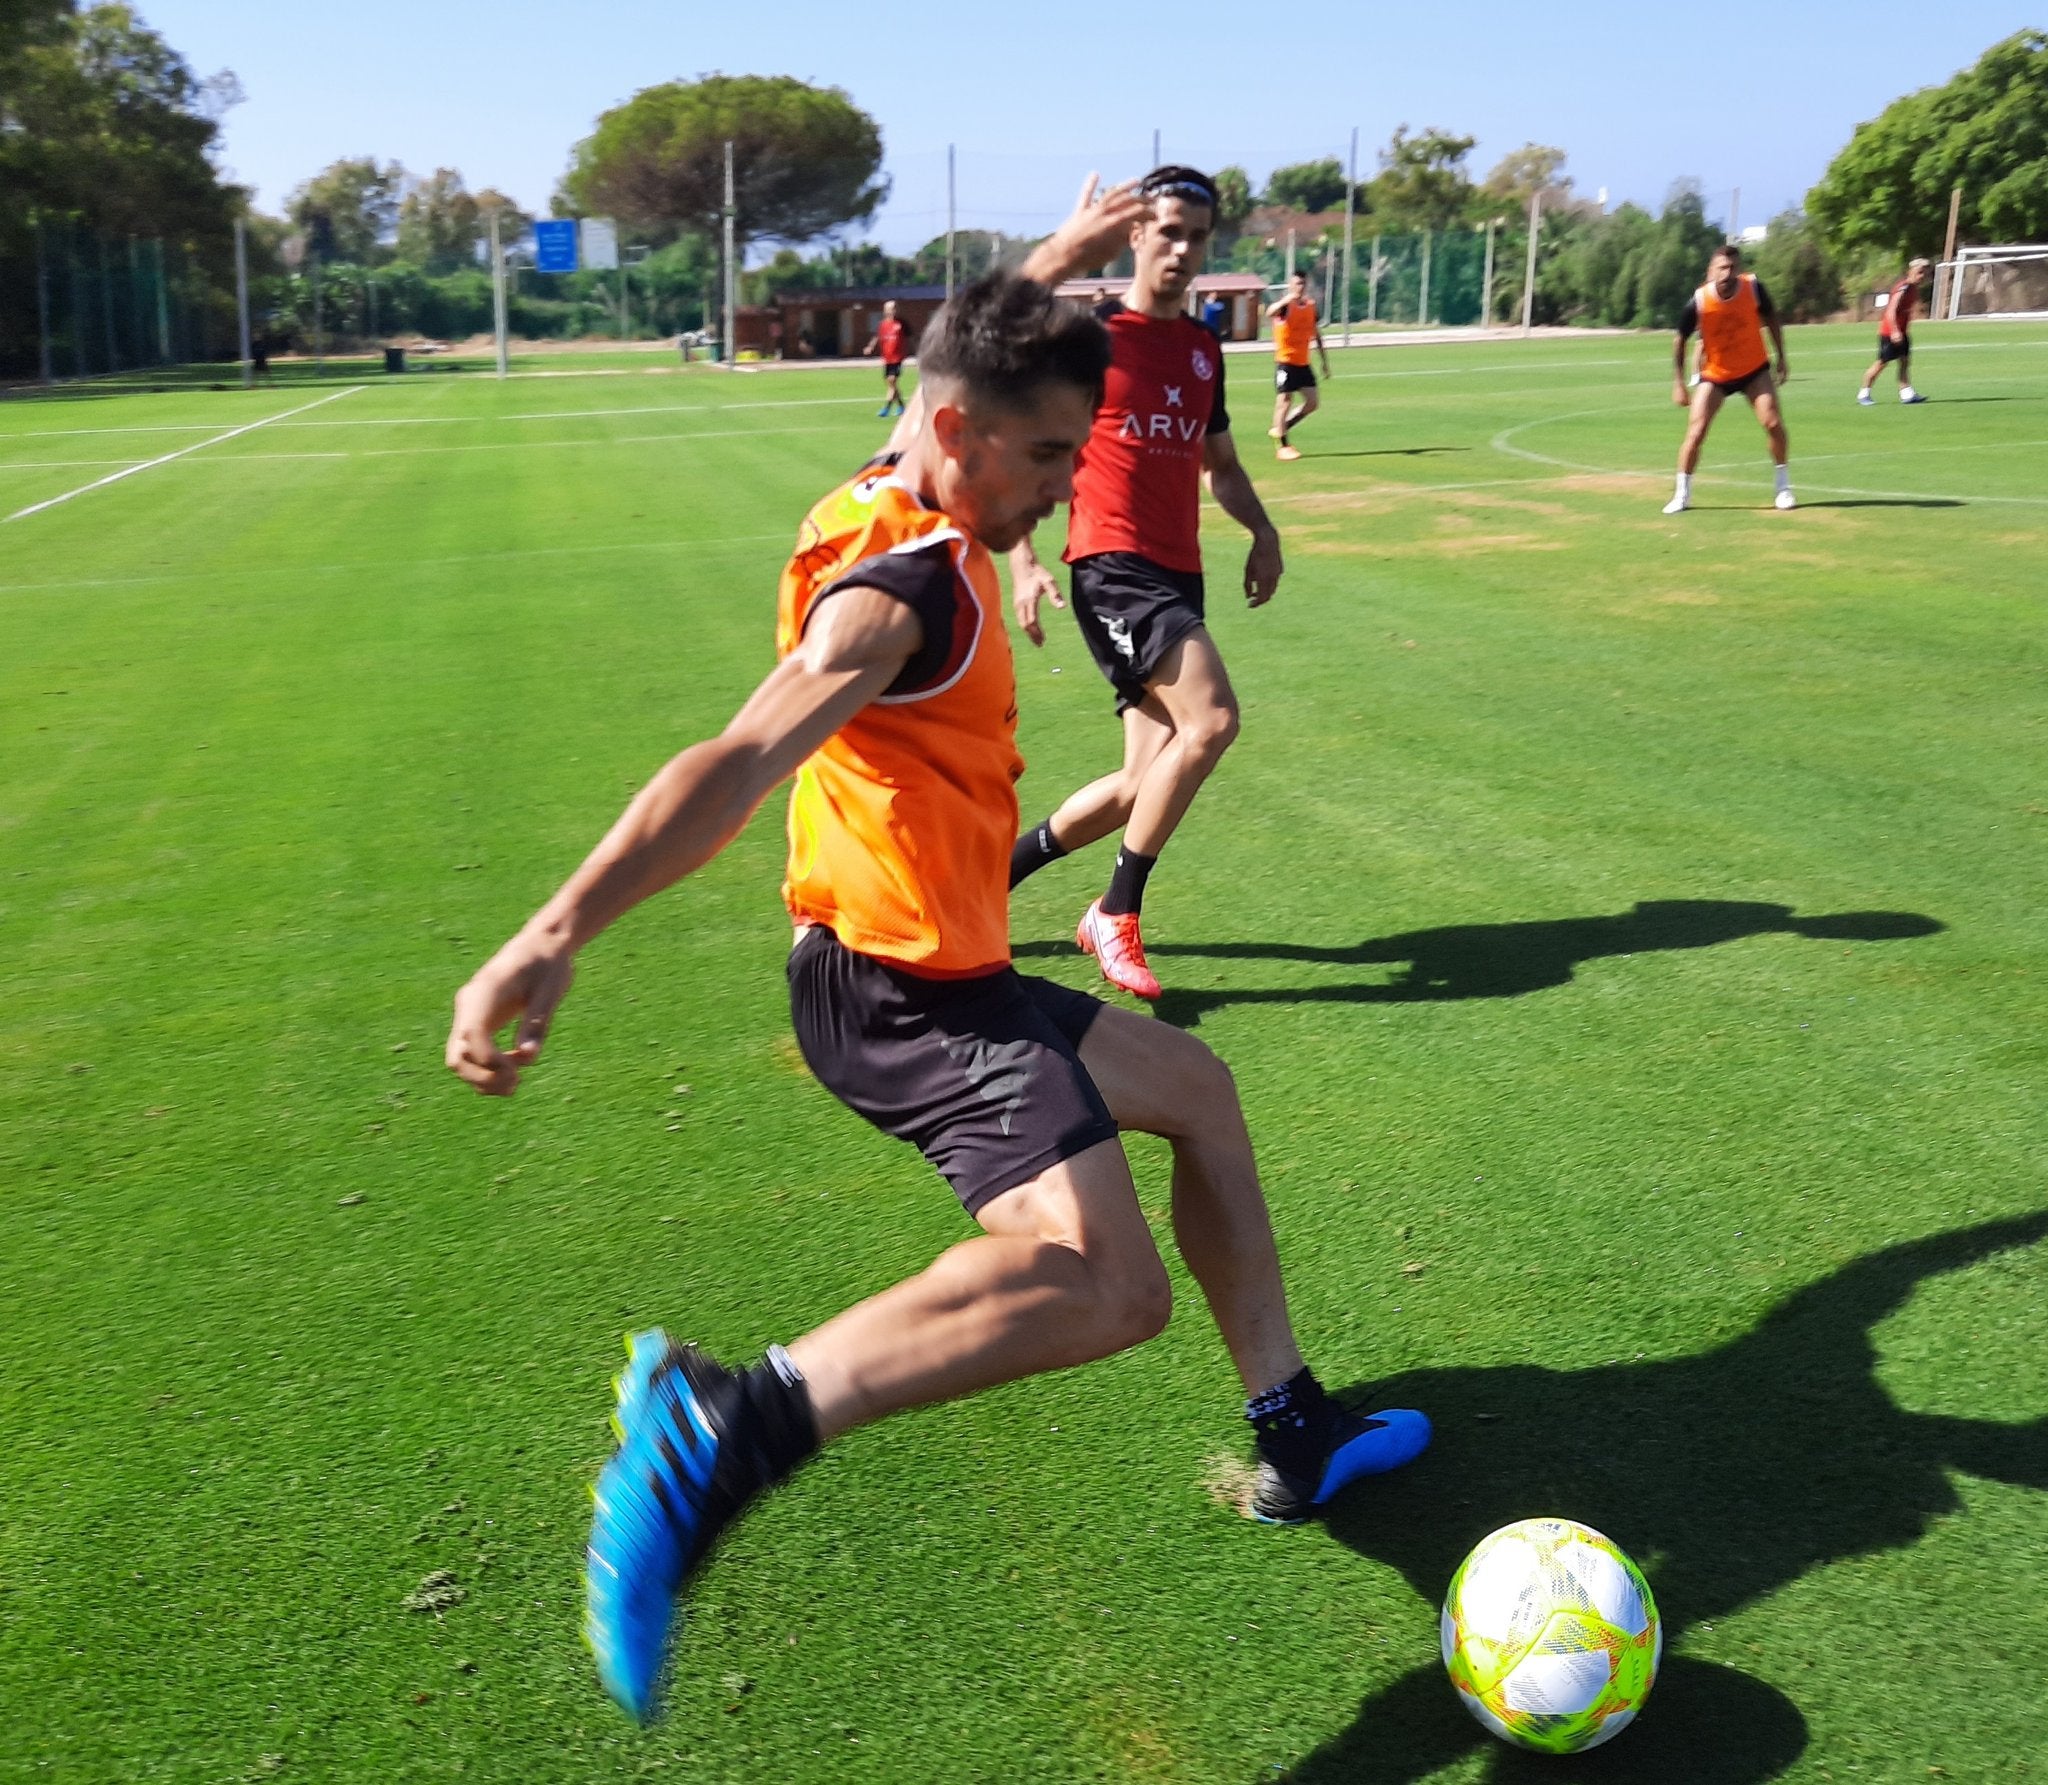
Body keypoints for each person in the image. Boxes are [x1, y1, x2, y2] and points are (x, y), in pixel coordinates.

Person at [445, 194, 1429, 1728]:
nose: (1060, 491)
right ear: (962, 432)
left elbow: (981, 339)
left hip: (937, 965)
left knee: (1199, 1090)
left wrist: (1065, 255)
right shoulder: (899, 585)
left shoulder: (889, 477)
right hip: (902, 995)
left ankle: (1292, 1423)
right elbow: (733, 760)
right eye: (1046, 460)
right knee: (1110, 1290)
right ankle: (726, 1425)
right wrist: (554, 928)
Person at [1006, 166, 1284, 1003]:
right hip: (1110, 565)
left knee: (1142, 779)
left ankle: (989, 880)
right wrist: (1022, 557)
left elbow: (1222, 466)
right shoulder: (1092, 340)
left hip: (1178, 571)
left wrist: (1263, 530)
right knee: (1215, 719)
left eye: (1196, 235)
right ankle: (1117, 911)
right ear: (1135, 234)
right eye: (1167, 230)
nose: (1182, 248)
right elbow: (1026, 445)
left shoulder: (1203, 349)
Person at [1666, 244, 1795, 515]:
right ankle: (1681, 494)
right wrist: (1678, 382)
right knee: (1696, 431)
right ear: (1710, 271)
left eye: (1733, 266)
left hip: (1754, 370)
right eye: (1722, 267)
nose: (1728, 272)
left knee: (1773, 423)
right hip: (1716, 375)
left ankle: (1783, 487)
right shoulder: (1700, 301)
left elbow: (1772, 318)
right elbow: (1679, 340)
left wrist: (1782, 356)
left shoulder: (1754, 289)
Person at [1265, 269, 1331, 460]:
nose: (1299, 287)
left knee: (1312, 403)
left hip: (1303, 363)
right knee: (1284, 401)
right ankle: (1283, 446)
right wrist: (1285, 300)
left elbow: (1316, 334)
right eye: (1296, 284)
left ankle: (1281, 427)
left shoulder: (1310, 306)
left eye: (1302, 284)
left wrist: (1324, 362)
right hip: (1285, 362)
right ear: (1290, 285)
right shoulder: (1285, 306)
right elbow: (1270, 312)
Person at [1860, 258, 1932, 405]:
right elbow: (1891, 310)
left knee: (1904, 361)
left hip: (1902, 331)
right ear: (1910, 271)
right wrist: (1894, 331)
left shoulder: (1913, 289)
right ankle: (1863, 394)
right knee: (1881, 363)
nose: (1922, 276)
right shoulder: (1903, 288)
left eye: (1924, 273)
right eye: (1919, 272)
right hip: (1890, 332)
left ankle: (1906, 394)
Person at [864, 299, 909, 417]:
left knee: (892, 381)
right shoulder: (883, 324)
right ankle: (902, 406)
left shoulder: (902, 324)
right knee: (891, 384)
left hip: (897, 358)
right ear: (885, 311)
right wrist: (870, 347)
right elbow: (877, 337)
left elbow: (912, 338)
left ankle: (887, 408)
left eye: (894, 308)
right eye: (889, 309)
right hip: (887, 358)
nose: (892, 311)